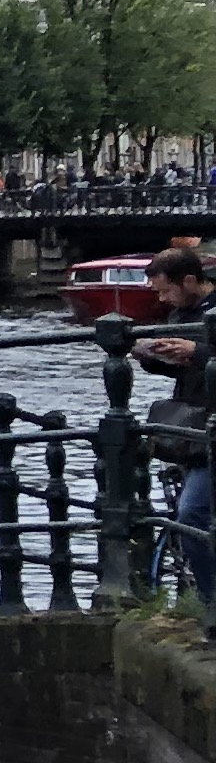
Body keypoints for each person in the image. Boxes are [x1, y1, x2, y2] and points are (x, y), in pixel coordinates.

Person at [140, 248, 216, 596]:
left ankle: (210, 600)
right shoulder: (179, 314)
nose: (162, 299)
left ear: (188, 280)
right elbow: (184, 369)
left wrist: (196, 352)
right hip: (195, 428)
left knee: (191, 514)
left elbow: (201, 358)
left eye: (165, 290)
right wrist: (150, 355)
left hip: (209, 428)